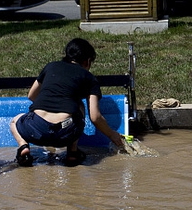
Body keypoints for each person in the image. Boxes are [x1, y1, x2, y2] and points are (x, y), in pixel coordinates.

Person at [10, 38, 127, 167]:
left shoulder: (51, 66)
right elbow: (95, 117)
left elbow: (31, 95)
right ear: (87, 61)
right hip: (65, 132)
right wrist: (112, 134)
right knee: (80, 106)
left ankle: (23, 147)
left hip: (35, 129)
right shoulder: (89, 78)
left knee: (15, 121)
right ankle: (72, 152)